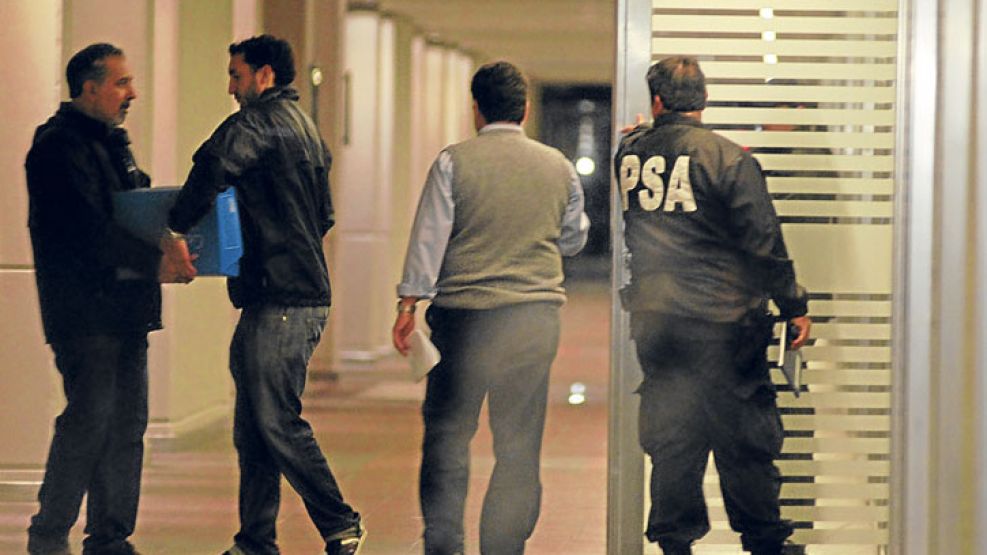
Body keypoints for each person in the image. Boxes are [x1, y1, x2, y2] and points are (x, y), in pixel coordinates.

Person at [159, 35, 363, 555]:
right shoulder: (308, 131)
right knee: (253, 426)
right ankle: (254, 541)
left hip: (283, 298)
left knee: (275, 419)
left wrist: (176, 228)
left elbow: (213, 163)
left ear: (264, 75)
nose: (231, 88)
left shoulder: (259, 123)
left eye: (236, 75)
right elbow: (325, 217)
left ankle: (341, 524)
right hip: (286, 292)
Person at [613, 56, 812, 555]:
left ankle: (674, 542)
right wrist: (793, 306)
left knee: (673, 436)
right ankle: (764, 541)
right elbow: (764, 241)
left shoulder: (629, 156)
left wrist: (639, 134)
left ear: (657, 101)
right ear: (704, 99)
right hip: (725, 324)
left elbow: (638, 152)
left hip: (657, 322)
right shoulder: (729, 159)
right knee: (745, 439)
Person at [391, 61, 589, 555]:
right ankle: (502, 546)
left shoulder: (454, 162)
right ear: (524, 109)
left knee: (447, 436)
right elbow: (572, 239)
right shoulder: (559, 166)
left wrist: (409, 301)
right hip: (532, 319)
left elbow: (429, 238)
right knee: (518, 443)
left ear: (475, 108)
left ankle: (443, 542)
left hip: (464, 319)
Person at [25, 43, 189, 555]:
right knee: (89, 419)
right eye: (121, 83)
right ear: (89, 87)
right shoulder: (57, 147)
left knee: (126, 425)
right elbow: (86, 229)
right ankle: (49, 534)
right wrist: (153, 261)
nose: (131, 94)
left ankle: (110, 537)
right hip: (84, 311)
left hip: (126, 309)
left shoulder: (112, 143)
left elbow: (128, 212)